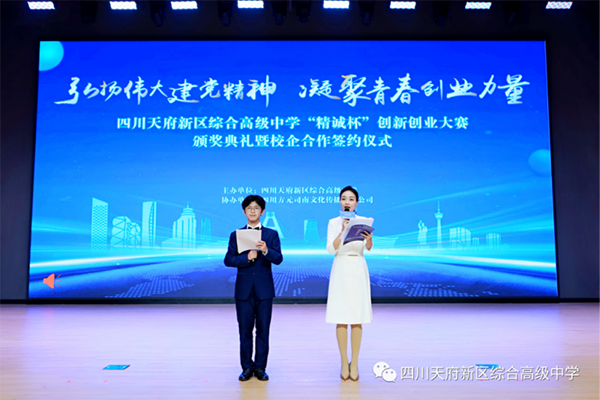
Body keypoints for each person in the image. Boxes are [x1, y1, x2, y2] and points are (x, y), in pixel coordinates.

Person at [224, 195, 283, 382]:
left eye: (256, 208)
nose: (252, 211)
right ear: (244, 211)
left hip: (264, 290)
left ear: (262, 211)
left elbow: (278, 259)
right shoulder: (236, 235)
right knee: (245, 331)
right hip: (244, 290)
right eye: (249, 208)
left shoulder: (271, 235)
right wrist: (247, 257)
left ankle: (260, 367)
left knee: (263, 330)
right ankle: (247, 368)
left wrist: (265, 250)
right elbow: (228, 260)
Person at [325, 186, 373, 381]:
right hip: (341, 267)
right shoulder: (333, 222)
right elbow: (331, 249)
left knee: (357, 317)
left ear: (357, 203)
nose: (347, 202)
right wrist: (343, 230)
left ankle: (355, 362)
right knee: (341, 316)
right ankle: (344, 362)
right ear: (340, 201)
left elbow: (368, 248)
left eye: (351, 199)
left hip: (358, 267)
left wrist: (369, 240)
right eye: (344, 198)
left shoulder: (363, 222)